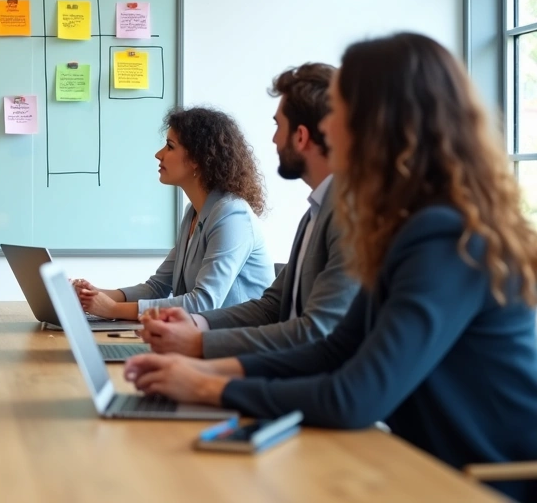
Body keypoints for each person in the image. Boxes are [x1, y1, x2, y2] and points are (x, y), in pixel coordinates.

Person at [125, 33, 537, 501]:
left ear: (378, 124)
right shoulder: (405, 225)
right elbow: (334, 350)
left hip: (480, 482)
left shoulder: (444, 236)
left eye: (337, 111)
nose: (325, 126)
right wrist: (205, 370)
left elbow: (356, 396)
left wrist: (206, 387)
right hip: (425, 465)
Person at [138, 64, 358, 358]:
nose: (274, 139)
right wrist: (196, 323)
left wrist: (201, 349)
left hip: (295, 376)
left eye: (278, 126)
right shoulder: (314, 213)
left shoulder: (349, 217)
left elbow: (314, 332)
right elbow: (271, 307)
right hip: (277, 367)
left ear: (301, 136)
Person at [71, 107, 275, 321]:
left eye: (170, 146)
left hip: (238, 337)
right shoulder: (193, 213)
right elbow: (157, 287)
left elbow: (203, 303)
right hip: (203, 333)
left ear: (197, 159)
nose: (158, 154)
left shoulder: (232, 215)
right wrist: (92, 295)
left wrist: (113, 309)